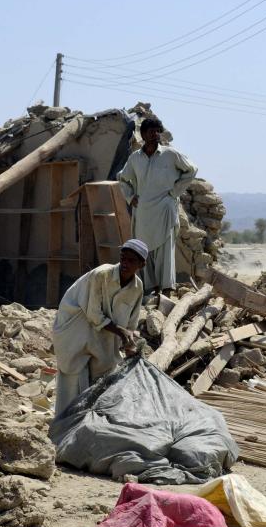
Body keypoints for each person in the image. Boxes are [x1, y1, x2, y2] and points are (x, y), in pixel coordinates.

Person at [52, 239, 148, 416]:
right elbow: (93, 314)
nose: (125, 264)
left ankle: (88, 417)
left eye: (131, 261)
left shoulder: (137, 288)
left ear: (142, 264)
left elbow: (131, 323)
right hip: (77, 324)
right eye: (123, 258)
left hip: (103, 330)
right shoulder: (101, 275)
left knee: (104, 370)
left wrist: (129, 343)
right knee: (76, 373)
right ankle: (66, 419)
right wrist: (121, 332)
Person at [117, 118, 198, 295]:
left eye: (157, 131)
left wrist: (175, 192)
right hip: (144, 212)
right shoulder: (135, 158)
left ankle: (167, 290)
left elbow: (191, 169)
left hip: (165, 209)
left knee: (165, 251)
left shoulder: (170, 154)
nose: (154, 135)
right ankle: (150, 290)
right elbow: (122, 178)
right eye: (150, 131)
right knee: (143, 250)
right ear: (143, 134)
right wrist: (130, 197)